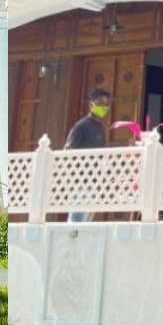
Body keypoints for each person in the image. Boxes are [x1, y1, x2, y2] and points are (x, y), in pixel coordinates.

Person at [63, 88, 111, 223]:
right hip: (80, 180)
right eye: (100, 103)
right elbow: (68, 149)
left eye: (106, 105)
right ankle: (71, 242)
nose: (103, 107)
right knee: (76, 219)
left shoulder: (100, 128)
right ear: (91, 104)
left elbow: (102, 151)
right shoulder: (81, 126)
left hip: (95, 180)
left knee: (87, 219)